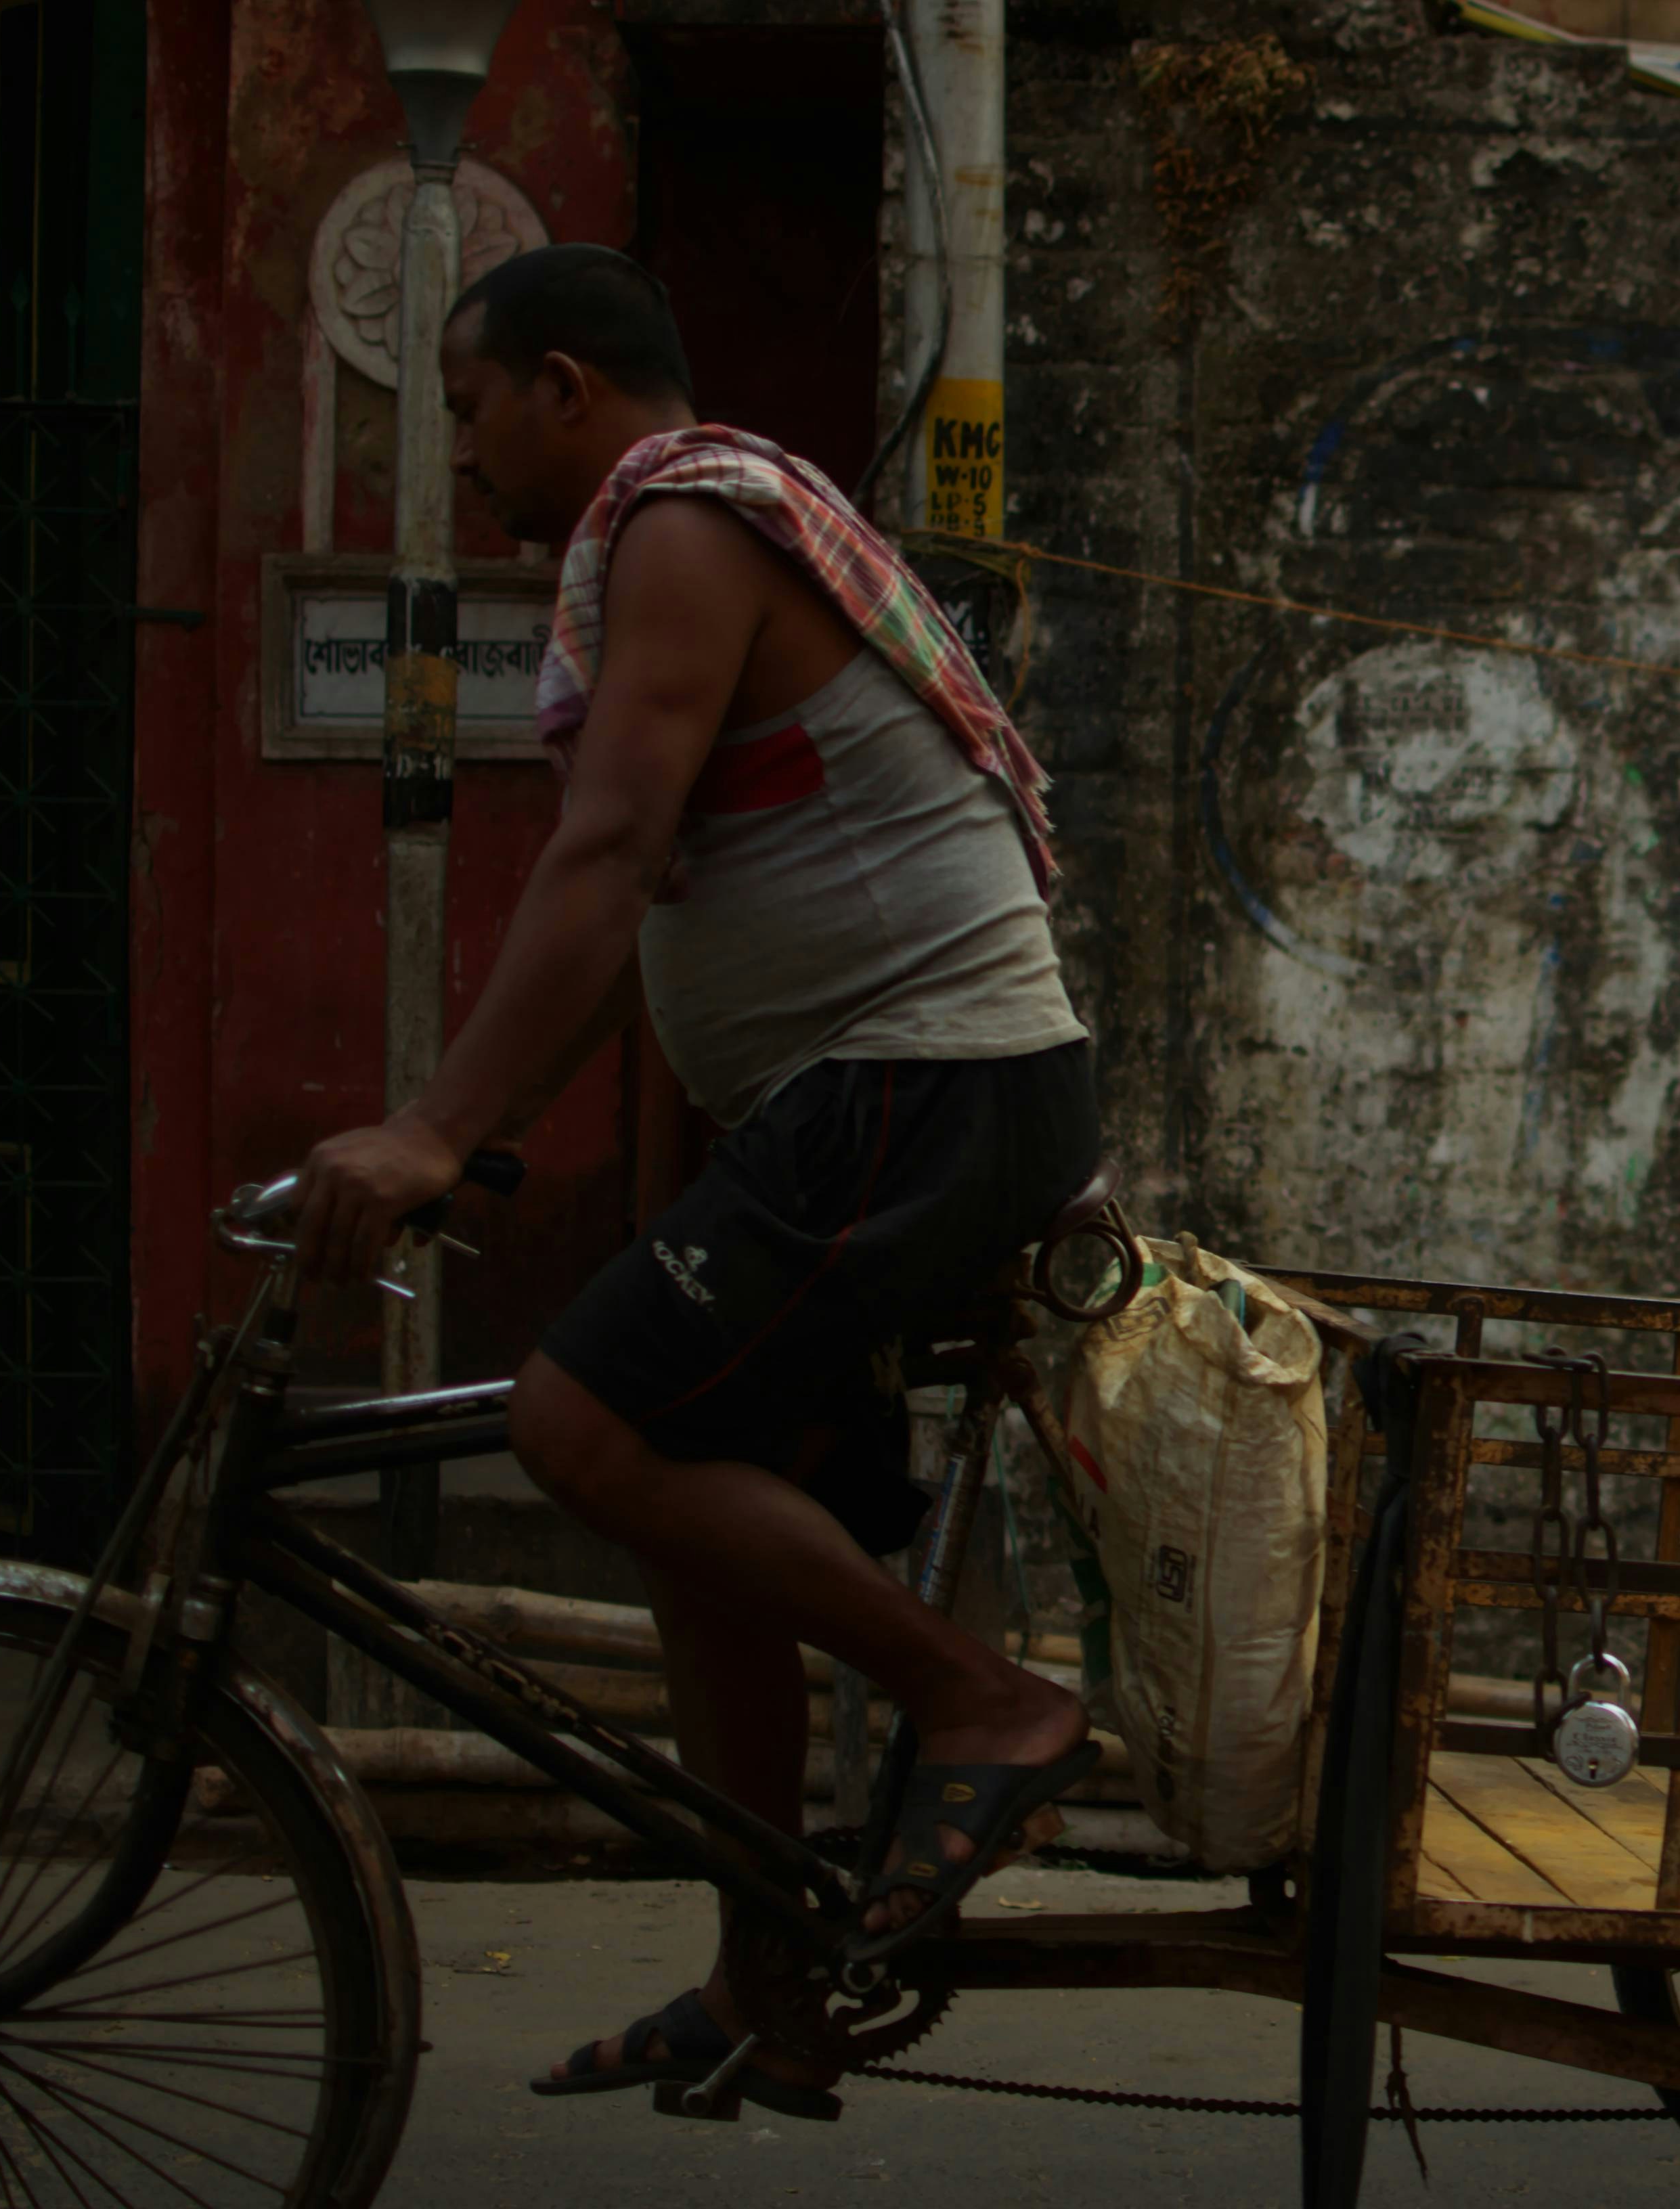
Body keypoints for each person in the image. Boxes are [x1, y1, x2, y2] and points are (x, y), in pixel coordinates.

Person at [291, 244, 1101, 2120]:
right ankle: (768, 1973)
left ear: (565, 386)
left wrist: (430, 1130)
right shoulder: (712, 517)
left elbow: (609, 850)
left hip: (925, 1082)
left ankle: (987, 1701)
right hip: (895, 1092)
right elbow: (660, 911)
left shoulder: (683, 522)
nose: (464, 455)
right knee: (685, 1488)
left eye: (472, 407)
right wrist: (509, 1137)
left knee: (576, 1421)